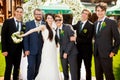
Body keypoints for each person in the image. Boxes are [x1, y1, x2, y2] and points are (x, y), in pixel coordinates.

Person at [21, 13, 60, 80]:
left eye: (51, 18)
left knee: (53, 63)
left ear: (53, 19)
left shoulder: (54, 27)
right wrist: (23, 35)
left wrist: (57, 43)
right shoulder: (43, 26)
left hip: (53, 48)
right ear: (46, 20)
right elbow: (32, 30)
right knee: (46, 62)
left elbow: (54, 37)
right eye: (48, 18)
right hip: (47, 48)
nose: (50, 19)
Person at [94, 2, 120, 80]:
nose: (100, 12)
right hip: (97, 54)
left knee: (109, 75)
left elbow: (118, 39)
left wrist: (113, 51)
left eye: (101, 10)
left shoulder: (111, 23)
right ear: (96, 12)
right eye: (98, 10)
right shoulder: (95, 24)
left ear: (105, 11)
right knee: (98, 76)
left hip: (107, 54)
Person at [1, 6, 24, 80]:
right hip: (9, 50)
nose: (19, 13)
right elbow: (3, 36)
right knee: (8, 68)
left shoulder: (23, 24)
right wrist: (4, 50)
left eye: (21, 12)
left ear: (22, 13)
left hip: (19, 50)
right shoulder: (8, 22)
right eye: (17, 11)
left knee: (17, 68)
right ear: (15, 12)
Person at [23, 8, 45, 80]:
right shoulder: (29, 24)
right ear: (34, 15)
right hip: (31, 50)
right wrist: (26, 49)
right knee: (31, 67)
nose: (38, 16)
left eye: (40, 14)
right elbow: (26, 38)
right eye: (37, 14)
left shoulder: (45, 24)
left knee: (38, 68)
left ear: (42, 15)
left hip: (42, 51)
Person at [55, 14, 78, 80]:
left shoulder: (68, 27)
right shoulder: (56, 30)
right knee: (65, 71)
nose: (58, 21)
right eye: (56, 20)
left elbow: (72, 41)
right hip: (62, 53)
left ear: (62, 20)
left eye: (59, 20)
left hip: (72, 53)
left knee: (73, 72)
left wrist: (66, 52)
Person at [72, 9, 94, 80]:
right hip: (78, 50)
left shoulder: (91, 25)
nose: (84, 15)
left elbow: (88, 39)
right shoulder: (79, 23)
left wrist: (76, 39)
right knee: (78, 67)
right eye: (83, 13)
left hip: (87, 51)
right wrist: (61, 23)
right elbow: (71, 27)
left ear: (88, 16)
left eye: (86, 14)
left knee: (88, 68)